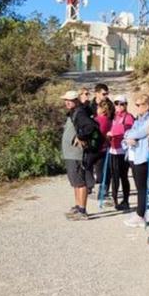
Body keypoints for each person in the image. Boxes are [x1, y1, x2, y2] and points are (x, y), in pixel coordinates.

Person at [61, 89, 101, 220]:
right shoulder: (74, 112)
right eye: (66, 100)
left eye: (70, 100)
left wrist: (80, 136)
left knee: (80, 182)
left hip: (76, 154)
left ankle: (82, 210)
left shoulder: (79, 113)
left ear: (76, 101)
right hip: (71, 154)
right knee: (75, 181)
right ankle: (78, 207)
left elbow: (90, 126)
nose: (67, 102)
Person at [122, 94, 149, 228]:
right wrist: (128, 137)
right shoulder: (138, 118)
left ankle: (140, 214)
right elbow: (129, 132)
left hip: (142, 156)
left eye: (139, 104)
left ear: (147, 105)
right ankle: (140, 213)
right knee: (139, 186)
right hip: (133, 155)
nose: (137, 107)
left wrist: (129, 136)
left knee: (142, 187)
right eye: (136, 104)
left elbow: (142, 132)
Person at [106, 95, 135, 211]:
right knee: (114, 176)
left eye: (121, 104)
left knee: (123, 176)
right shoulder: (114, 116)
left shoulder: (128, 117)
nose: (118, 106)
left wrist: (113, 132)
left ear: (126, 105)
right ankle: (114, 199)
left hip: (123, 151)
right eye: (116, 103)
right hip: (113, 149)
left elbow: (128, 128)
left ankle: (125, 200)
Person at [93, 98, 115, 208]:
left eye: (98, 107)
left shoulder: (98, 120)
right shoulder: (109, 120)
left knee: (100, 171)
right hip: (106, 147)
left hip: (99, 148)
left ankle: (102, 193)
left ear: (102, 109)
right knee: (105, 171)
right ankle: (104, 191)